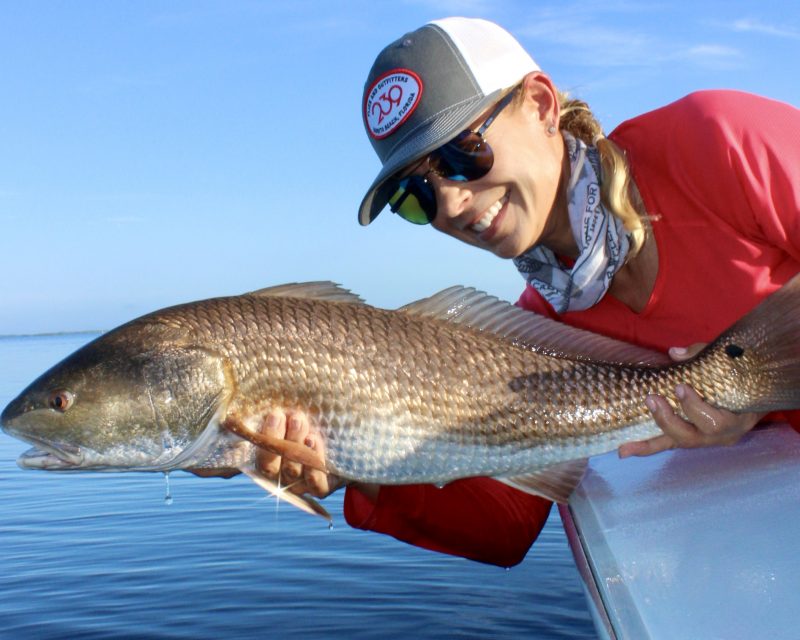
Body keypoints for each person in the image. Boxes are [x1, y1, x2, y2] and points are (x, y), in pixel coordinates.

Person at [234, 17, 800, 567]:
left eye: (462, 153)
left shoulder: (717, 139)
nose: (451, 205)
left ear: (542, 105)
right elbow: (504, 528)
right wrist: (356, 466)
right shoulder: (539, 333)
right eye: (416, 195)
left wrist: (756, 395)